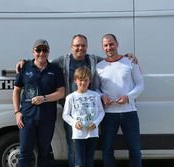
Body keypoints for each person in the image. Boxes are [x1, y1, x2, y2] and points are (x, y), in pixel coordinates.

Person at [15, 34, 138, 167]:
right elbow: (42, 60)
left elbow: (112, 59)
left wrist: (127, 56)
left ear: (87, 47)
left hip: (92, 114)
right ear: (71, 47)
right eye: (77, 45)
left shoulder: (93, 59)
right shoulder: (62, 61)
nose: (80, 48)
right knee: (73, 149)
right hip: (71, 113)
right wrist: (25, 62)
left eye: (83, 45)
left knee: (89, 151)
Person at [12, 39, 65, 167]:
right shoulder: (25, 67)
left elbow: (61, 92)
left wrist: (44, 98)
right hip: (27, 118)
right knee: (25, 152)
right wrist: (17, 112)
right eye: (38, 50)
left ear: (48, 52)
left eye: (45, 50)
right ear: (33, 51)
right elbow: (16, 91)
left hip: (47, 118)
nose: (41, 53)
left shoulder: (55, 70)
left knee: (44, 153)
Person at [94, 34, 144, 167]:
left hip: (129, 112)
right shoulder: (99, 66)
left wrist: (128, 97)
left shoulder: (130, 61)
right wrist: (102, 96)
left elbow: (140, 84)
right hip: (108, 114)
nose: (109, 47)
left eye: (111, 44)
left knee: (134, 150)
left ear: (117, 44)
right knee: (107, 150)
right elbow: (96, 88)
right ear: (102, 47)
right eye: (105, 45)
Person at [62, 66, 105, 167]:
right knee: (79, 162)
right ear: (75, 81)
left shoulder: (95, 95)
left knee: (90, 161)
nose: (83, 83)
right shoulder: (70, 97)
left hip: (92, 133)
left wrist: (95, 123)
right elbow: (65, 115)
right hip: (78, 134)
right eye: (80, 80)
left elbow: (101, 112)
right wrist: (75, 123)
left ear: (89, 81)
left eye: (85, 80)